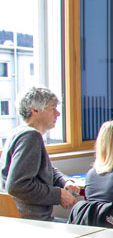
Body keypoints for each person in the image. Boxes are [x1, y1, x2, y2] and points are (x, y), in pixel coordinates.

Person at [0, 87, 79, 221]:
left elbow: (46, 169)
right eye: (52, 108)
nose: (58, 113)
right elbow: (17, 185)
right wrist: (58, 195)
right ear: (34, 110)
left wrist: (64, 181)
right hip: (32, 222)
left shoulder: (18, 132)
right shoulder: (30, 136)